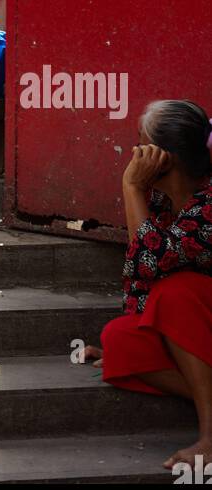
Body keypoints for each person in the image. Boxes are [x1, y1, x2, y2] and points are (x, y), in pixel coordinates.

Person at [82, 99, 212, 471]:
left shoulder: (208, 206)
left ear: (163, 157)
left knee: (175, 292)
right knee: (121, 340)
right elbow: (140, 285)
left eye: (141, 142)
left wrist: (130, 187)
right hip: (196, 331)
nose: (135, 150)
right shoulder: (160, 200)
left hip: (199, 314)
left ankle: (211, 436)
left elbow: (147, 263)